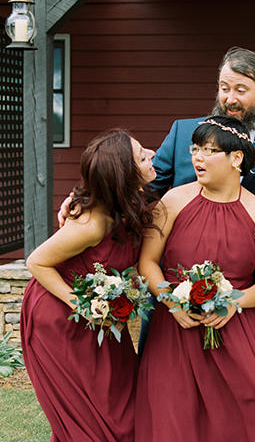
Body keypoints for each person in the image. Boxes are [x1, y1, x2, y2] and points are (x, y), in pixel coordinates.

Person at [135, 115, 255, 442]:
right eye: (195, 148)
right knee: (171, 421)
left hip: (233, 332)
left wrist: (234, 302)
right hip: (174, 330)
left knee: (240, 421)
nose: (196, 158)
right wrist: (170, 300)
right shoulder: (172, 201)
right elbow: (147, 262)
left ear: (236, 158)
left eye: (208, 150)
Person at [21, 129, 159, 442]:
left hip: (100, 318)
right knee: (88, 414)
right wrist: (82, 306)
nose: (152, 153)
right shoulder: (92, 225)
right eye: (141, 155)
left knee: (121, 404)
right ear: (123, 175)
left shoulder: (123, 208)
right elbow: (35, 262)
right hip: (59, 320)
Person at [151, 46, 255, 203]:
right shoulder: (182, 133)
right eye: (224, 89)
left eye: (240, 91)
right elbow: (149, 189)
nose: (230, 99)